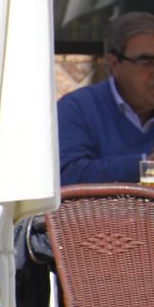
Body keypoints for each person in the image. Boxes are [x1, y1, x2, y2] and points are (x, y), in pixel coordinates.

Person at [57, 10, 154, 184]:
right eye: (145, 61)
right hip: (99, 211)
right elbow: (68, 174)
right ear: (115, 64)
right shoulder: (77, 108)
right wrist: (145, 167)